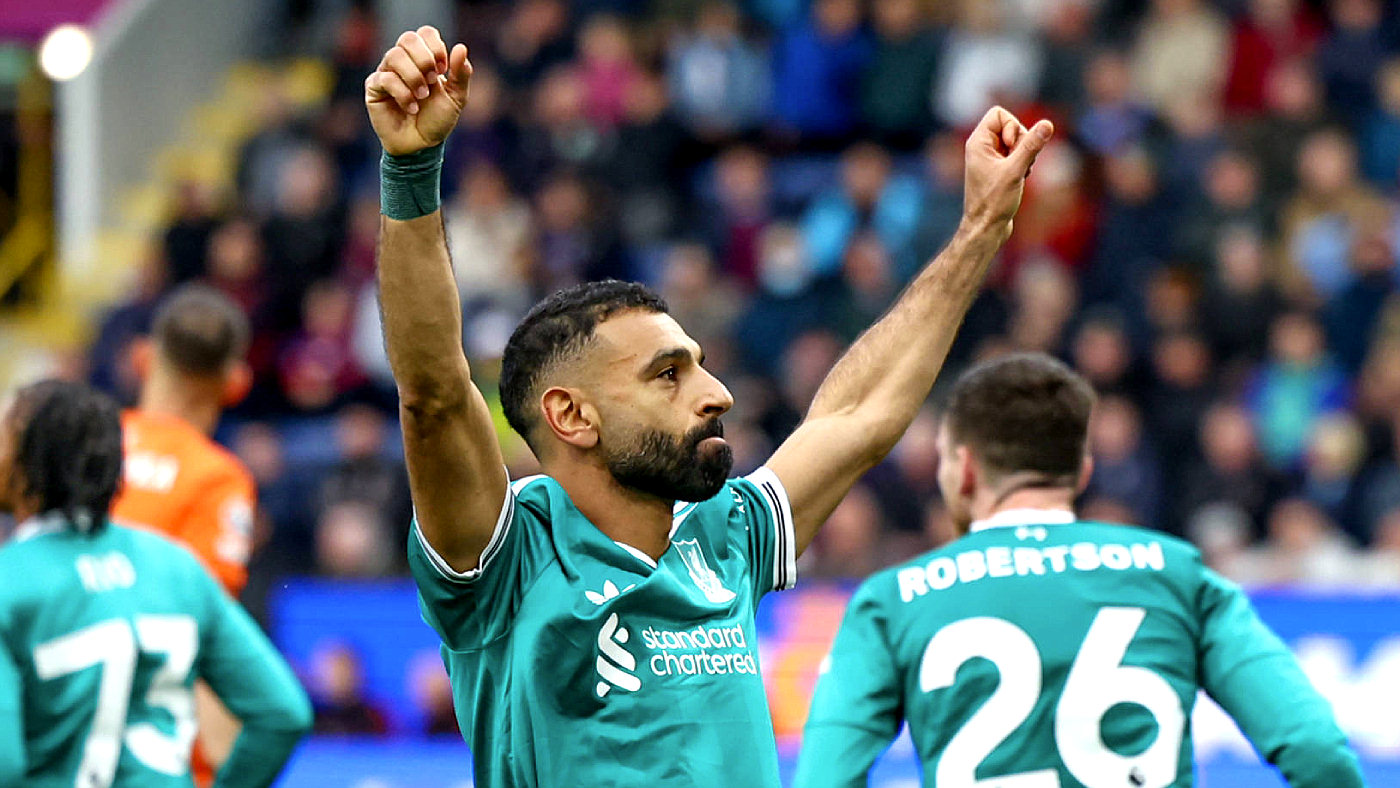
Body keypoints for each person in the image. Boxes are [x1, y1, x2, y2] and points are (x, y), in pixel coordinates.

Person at [364, 24, 1052, 786]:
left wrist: (979, 230)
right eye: (668, 375)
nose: (716, 393)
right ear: (572, 416)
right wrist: (411, 170)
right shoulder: (509, 558)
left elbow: (857, 417)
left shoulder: (724, 533)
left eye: (700, 365)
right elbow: (434, 393)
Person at [793, 353, 1365, 788]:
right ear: (1083, 470)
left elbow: (823, 779)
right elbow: (1316, 748)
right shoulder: (1179, 575)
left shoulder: (891, 601)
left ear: (964, 469)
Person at [0, 380, 312, 786]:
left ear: (26, 462)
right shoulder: (177, 565)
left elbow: (5, 763)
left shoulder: (11, 579)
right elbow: (283, 713)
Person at [109, 284, 258, 782]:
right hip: (151, 746)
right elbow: (202, 625)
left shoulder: (84, 446)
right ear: (235, 382)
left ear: (141, 358)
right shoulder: (219, 480)